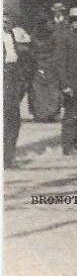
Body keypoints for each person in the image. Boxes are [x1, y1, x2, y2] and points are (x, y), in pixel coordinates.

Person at [53, 6, 77, 156]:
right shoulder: (65, 38)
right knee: (71, 115)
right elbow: (60, 63)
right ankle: (68, 146)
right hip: (72, 83)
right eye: (76, 20)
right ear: (71, 22)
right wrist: (65, 85)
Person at [4, 13, 24, 167]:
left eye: (7, 20)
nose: (5, 23)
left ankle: (8, 157)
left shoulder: (10, 34)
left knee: (14, 120)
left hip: (12, 77)